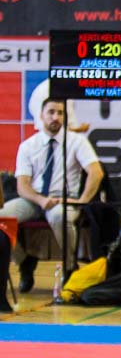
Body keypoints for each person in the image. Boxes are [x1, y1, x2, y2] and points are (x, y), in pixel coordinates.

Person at [0, 97, 104, 292]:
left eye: (60, 113)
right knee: (1, 217)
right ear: (41, 116)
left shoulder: (77, 142)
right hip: (33, 199)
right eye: (51, 112)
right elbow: (22, 186)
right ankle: (24, 261)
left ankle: (70, 266)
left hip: (62, 200)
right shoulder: (28, 145)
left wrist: (83, 201)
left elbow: (96, 172)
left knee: (59, 216)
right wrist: (40, 200)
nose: (55, 117)